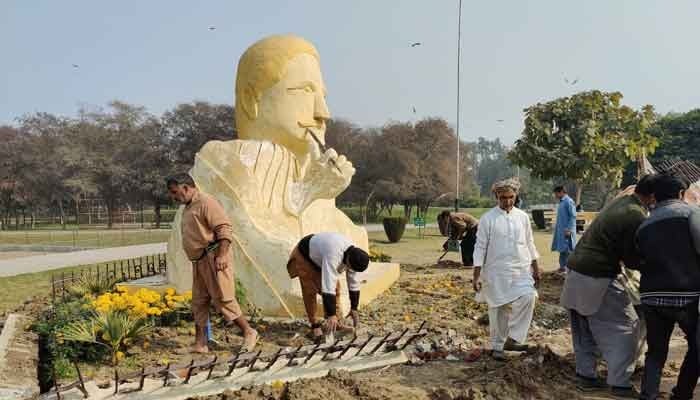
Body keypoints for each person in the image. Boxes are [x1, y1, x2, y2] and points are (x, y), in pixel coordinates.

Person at [559, 174, 656, 398]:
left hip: (575, 271)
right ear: (652, 196)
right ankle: (620, 384)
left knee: (583, 328)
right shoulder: (635, 215)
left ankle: (586, 376)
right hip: (597, 276)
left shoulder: (622, 202)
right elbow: (631, 259)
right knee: (627, 326)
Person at [166, 173, 258, 353]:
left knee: (223, 298)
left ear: (186, 187)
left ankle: (249, 331)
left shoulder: (207, 202)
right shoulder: (188, 207)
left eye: (175, 192)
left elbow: (223, 228)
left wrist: (222, 256)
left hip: (213, 257)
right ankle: (200, 344)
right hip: (199, 261)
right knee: (199, 302)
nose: (173, 196)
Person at [635, 174, 700, 400]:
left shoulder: (644, 225)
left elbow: (640, 259)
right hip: (686, 295)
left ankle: (649, 395)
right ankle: (682, 393)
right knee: (696, 347)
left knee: (656, 352)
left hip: (652, 297)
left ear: (655, 196)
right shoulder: (690, 213)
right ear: (681, 194)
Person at [472, 178, 540, 360]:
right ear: (496, 197)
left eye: (511, 197)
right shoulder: (488, 219)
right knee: (498, 308)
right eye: (503, 198)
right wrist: (476, 275)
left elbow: (529, 242)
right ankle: (497, 347)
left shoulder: (523, 217)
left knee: (529, 297)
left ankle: (514, 338)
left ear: (515, 195)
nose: (508, 201)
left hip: (521, 270)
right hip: (496, 271)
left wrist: (536, 266)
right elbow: (480, 247)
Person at [286, 232, 370, 341]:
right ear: (348, 260)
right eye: (350, 268)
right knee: (310, 289)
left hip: (320, 258)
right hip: (305, 255)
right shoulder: (334, 255)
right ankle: (315, 326)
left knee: (336, 289)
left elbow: (353, 283)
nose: (351, 271)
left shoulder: (355, 256)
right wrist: (331, 314)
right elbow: (328, 286)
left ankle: (336, 323)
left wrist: (354, 308)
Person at [551, 186, 577, 274]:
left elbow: (573, 216)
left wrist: (569, 229)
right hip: (561, 230)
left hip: (567, 231)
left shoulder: (568, 201)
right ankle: (562, 267)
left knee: (568, 250)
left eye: (556, 193)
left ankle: (570, 268)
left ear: (561, 192)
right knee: (562, 249)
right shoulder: (562, 202)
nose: (555, 195)